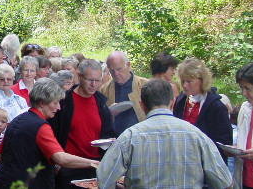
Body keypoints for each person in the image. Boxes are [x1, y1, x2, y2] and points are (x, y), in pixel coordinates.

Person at [97, 79, 232, 188]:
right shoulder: (196, 135)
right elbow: (224, 182)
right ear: (173, 102)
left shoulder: (130, 137)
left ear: (142, 105)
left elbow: (104, 180)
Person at [0, 78, 99, 188]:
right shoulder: (41, 127)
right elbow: (61, 158)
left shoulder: (16, 121)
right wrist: (93, 163)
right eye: (55, 103)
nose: (58, 108)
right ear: (42, 103)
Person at [49, 59, 116, 187]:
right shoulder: (63, 102)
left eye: (97, 80)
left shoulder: (101, 103)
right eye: (90, 80)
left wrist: (110, 141)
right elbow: (51, 134)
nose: (94, 85)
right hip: (70, 167)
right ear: (79, 77)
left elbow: (109, 132)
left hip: (96, 166)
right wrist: (57, 166)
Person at [173, 58, 232, 163]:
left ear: (202, 80)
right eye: (182, 81)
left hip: (206, 163)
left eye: (189, 81)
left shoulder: (216, 106)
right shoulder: (180, 101)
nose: (185, 85)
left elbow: (225, 143)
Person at [232, 62, 253, 189]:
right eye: (242, 88)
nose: (244, 93)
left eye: (248, 88)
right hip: (244, 179)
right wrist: (235, 149)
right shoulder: (245, 109)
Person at [99, 51, 148, 135]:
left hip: (141, 136)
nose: (115, 74)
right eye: (112, 71)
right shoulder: (104, 90)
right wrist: (108, 114)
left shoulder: (145, 85)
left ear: (128, 65)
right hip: (115, 139)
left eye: (119, 69)